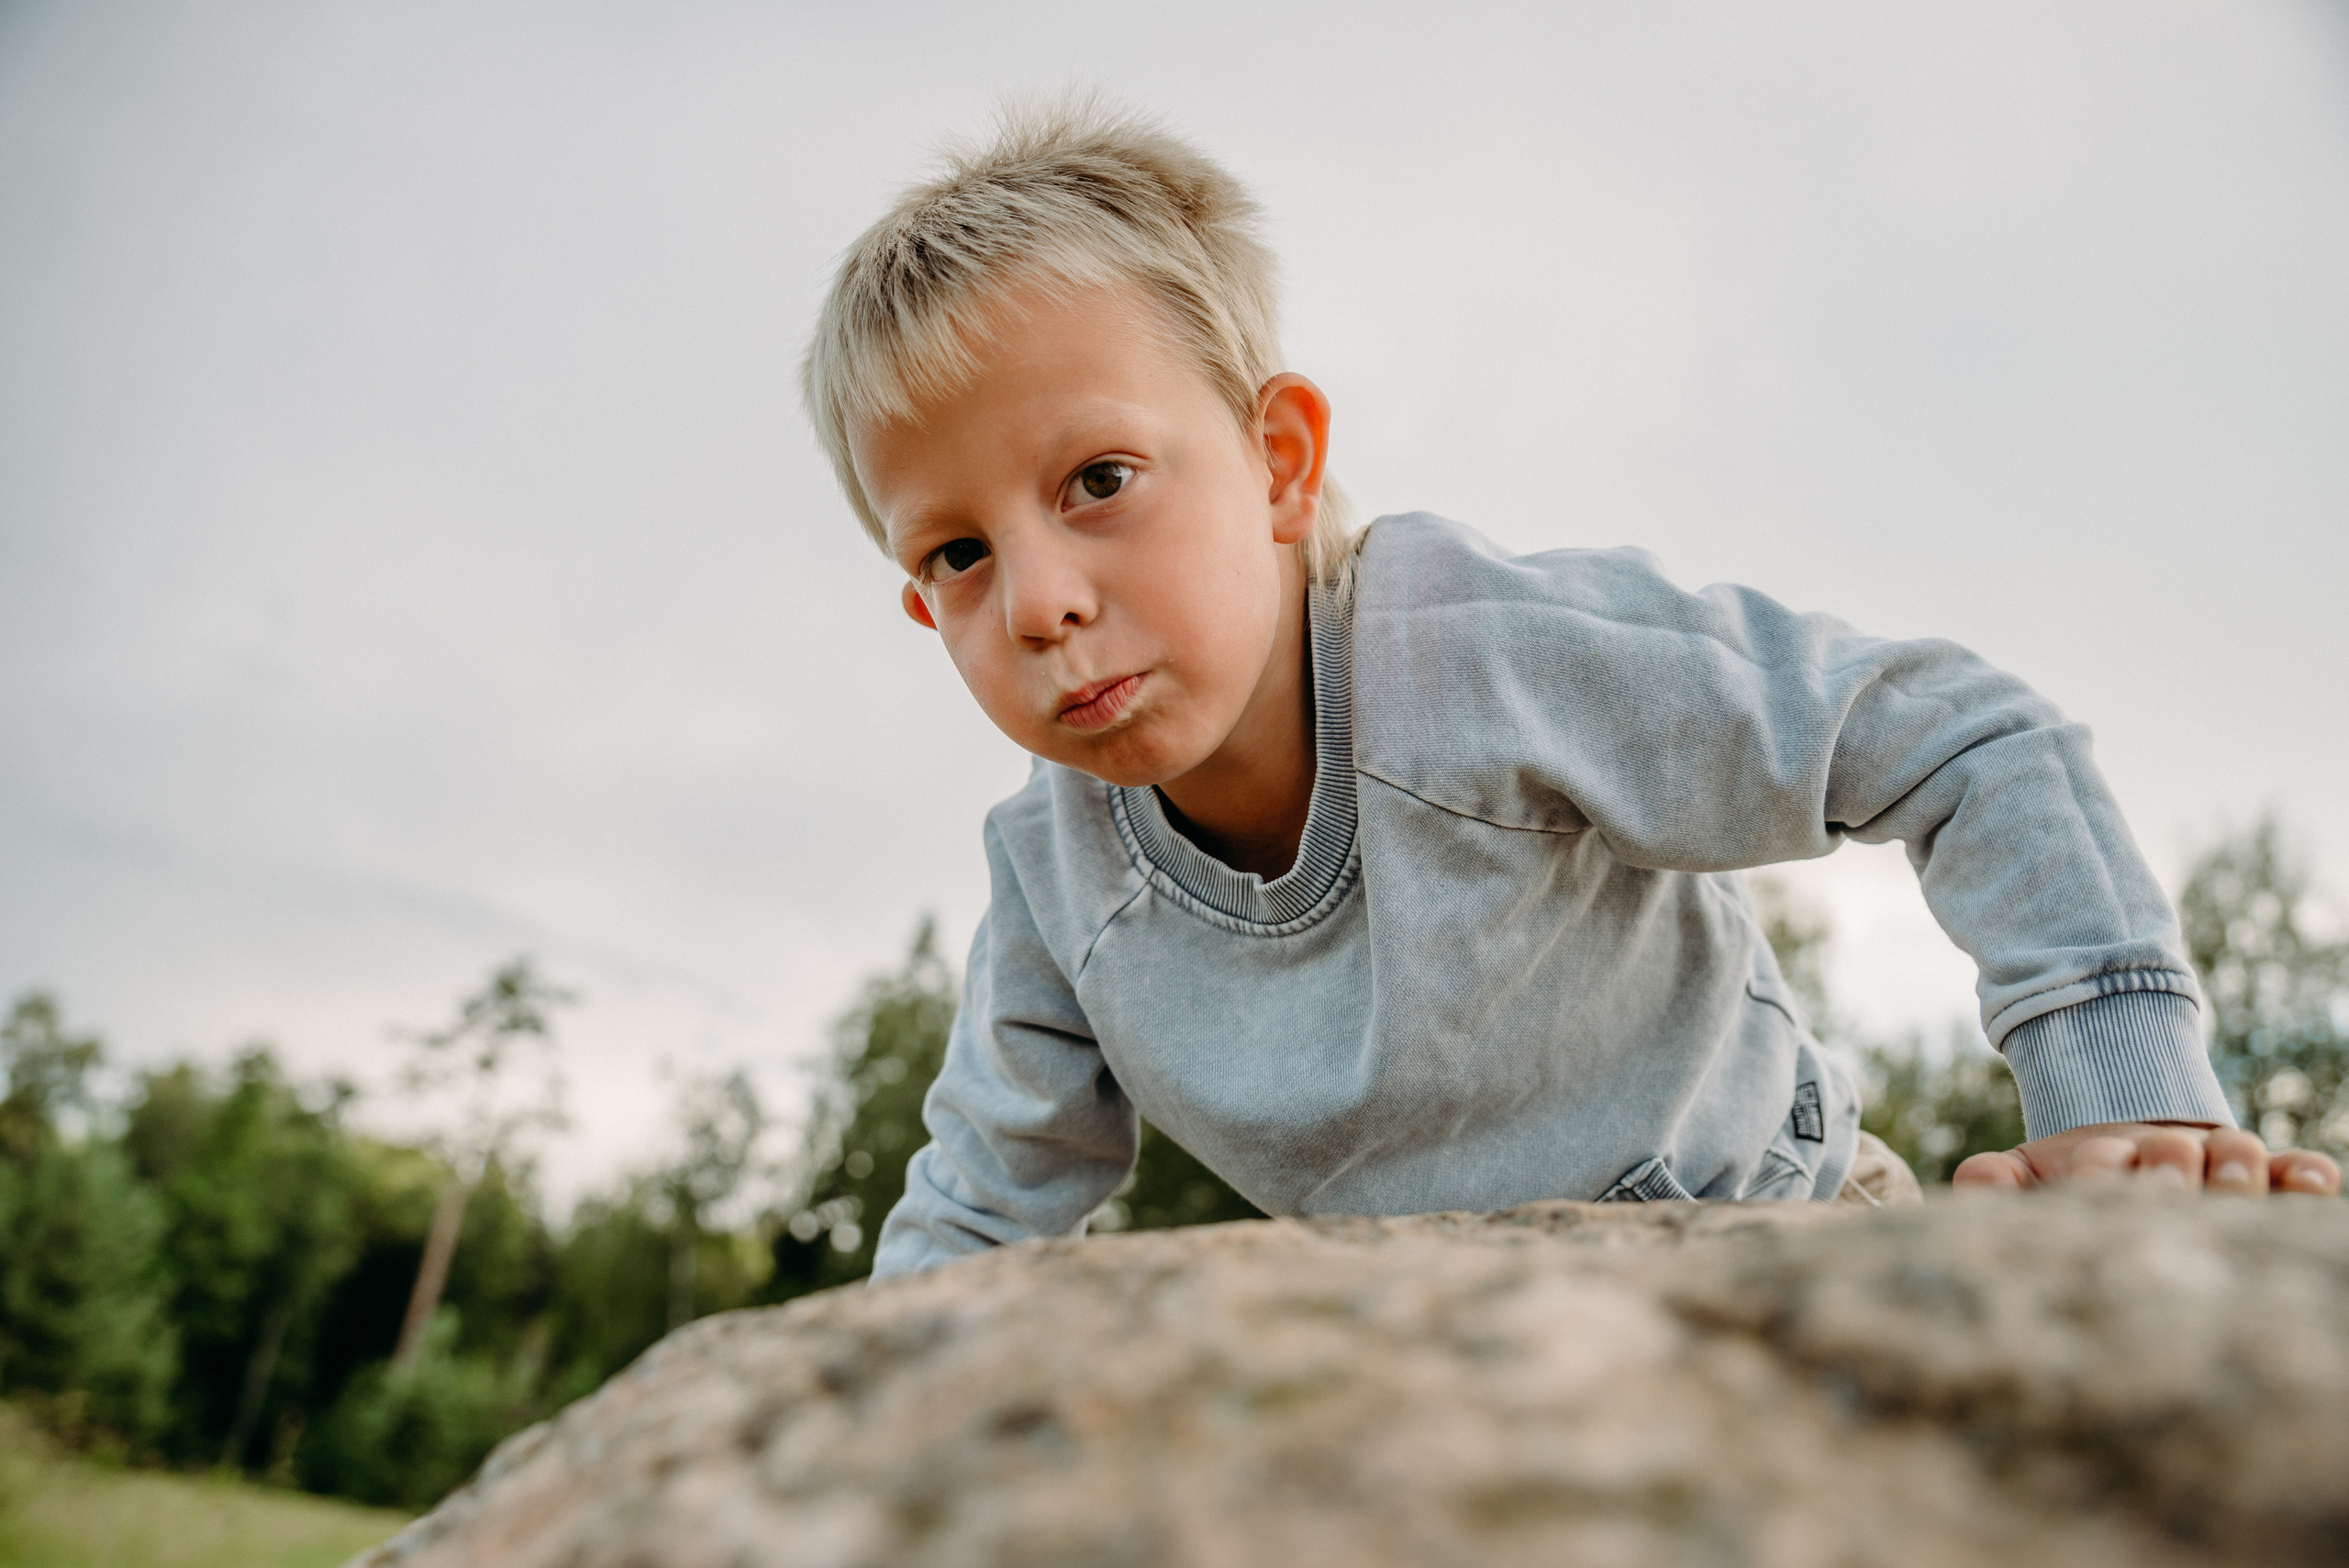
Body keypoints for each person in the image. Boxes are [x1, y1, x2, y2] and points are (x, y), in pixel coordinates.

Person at [800, 100, 2340, 1279]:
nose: (1042, 599)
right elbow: (975, 1211)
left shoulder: (1471, 653)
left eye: (1100, 478)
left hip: (1778, 1237)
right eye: (955, 553)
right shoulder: (1057, 877)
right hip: (1453, 1355)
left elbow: (1962, 737)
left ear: (1279, 462)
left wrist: (2119, 1101)